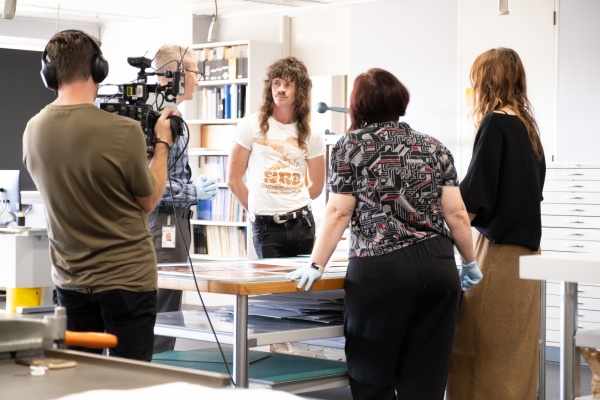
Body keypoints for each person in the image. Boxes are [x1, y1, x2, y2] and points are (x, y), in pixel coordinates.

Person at [286, 68, 482, 399]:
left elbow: (338, 212)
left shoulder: (351, 145)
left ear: (358, 105)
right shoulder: (434, 147)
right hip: (438, 269)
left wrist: (316, 264)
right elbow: (457, 213)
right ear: (399, 102)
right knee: (425, 382)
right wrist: (470, 261)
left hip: (382, 271)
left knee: (372, 379)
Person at [23, 30, 178, 361]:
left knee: (79, 379)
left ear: (49, 75)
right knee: (131, 381)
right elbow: (149, 200)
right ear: (98, 69)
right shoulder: (122, 131)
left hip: (70, 280)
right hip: (127, 281)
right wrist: (162, 144)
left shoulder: (33, 129)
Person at [446, 48, 546, 400]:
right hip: (531, 255)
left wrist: (440, 239)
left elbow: (473, 198)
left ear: (487, 81)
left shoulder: (495, 124)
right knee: (518, 352)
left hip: (500, 255)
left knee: (476, 347)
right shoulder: (528, 129)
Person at [148, 44, 217, 354]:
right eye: (194, 72)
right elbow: (149, 185)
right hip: (161, 223)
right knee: (162, 304)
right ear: (174, 75)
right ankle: (156, 376)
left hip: (174, 222)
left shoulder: (172, 116)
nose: (198, 80)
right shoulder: (156, 119)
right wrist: (194, 192)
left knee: (169, 303)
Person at [227, 56, 325, 258]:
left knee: (302, 288)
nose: (281, 89)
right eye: (276, 83)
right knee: (272, 287)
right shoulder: (250, 125)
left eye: (288, 84)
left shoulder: (312, 132)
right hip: (265, 226)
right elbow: (233, 180)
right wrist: (257, 210)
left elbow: (317, 185)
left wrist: (291, 203)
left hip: (302, 223)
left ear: (299, 90)